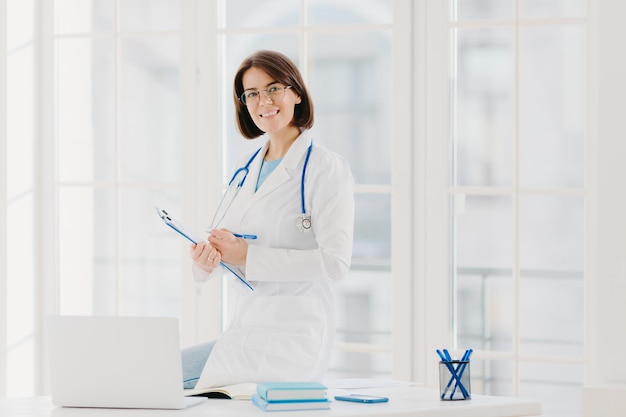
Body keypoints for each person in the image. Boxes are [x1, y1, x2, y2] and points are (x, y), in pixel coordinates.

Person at [182, 50, 355, 389]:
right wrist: (206, 262)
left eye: (273, 88)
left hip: (294, 337)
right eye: (252, 94)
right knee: (155, 376)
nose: (264, 101)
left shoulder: (325, 168)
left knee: (160, 378)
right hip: (247, 326)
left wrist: (246, 256)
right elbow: (228, 247)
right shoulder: (247, 168)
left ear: (296, 93)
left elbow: (336, 263)